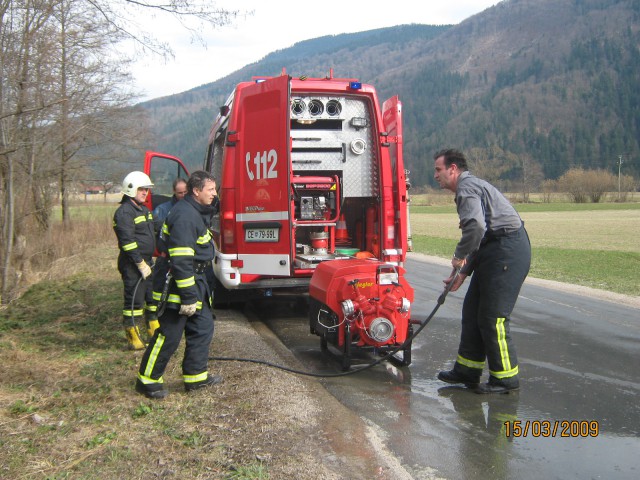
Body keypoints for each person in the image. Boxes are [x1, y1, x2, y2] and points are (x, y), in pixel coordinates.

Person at [433, 149, 531, 394]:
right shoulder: (468, 187)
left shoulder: (467, 188)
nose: (436, 175)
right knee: (472, 310)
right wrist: (463, 272)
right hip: (493, 248)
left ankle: (505, 379)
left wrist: (458, 257)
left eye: (438, 170)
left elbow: (475, 228)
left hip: (507, 250)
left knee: (492, 316)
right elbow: (481, 236)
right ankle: (467, 369)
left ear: (452, 169)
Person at [135, 170, 222, 399]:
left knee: (202, 328)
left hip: (196, 283)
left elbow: (210, 209)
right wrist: (188, 297)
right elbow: (182, 261)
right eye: (210, 190)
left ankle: (196, 377)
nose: (214, 194)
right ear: (196, 191)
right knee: (169, 335)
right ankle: (147, 380)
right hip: (180, 285)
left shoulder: (194, 210)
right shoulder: (184, 217)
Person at [113, 171, 156, 350]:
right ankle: (133, 337)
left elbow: (156, 229)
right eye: (141, 189)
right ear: (130, 190)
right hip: (132, 264)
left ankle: (153, 330)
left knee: (152, 298)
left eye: (146, 189)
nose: (145, 193)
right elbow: (127, 243)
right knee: (134, 301)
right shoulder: (124, 213)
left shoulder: (143, 209)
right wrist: (140, 264)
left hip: (147, 261)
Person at [147, 178, 188, 338]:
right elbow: (156, 235)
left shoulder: (192, 208)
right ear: (174, 192)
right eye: (180, 193)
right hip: (166, 259)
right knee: (161, 292)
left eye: (185, 192)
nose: (183, 195)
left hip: (183, 260)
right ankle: (158, 318)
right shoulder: (162, 210)